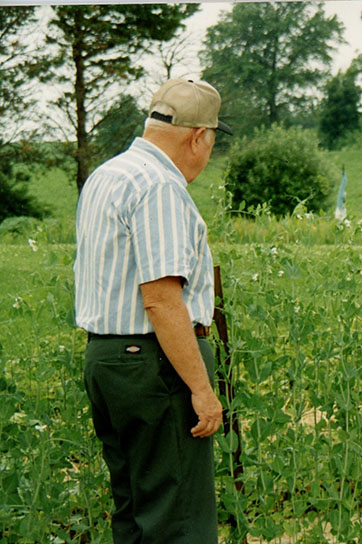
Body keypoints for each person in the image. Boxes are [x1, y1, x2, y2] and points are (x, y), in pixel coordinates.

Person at [74, 78, 232, 543]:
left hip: (106, 361)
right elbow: (161, 299)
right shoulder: (159, 186)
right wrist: (202, 390)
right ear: (199, 136)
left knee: (136, 513)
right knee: (178, 519)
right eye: (212, 143)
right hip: (154, 364)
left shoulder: (107, 175)